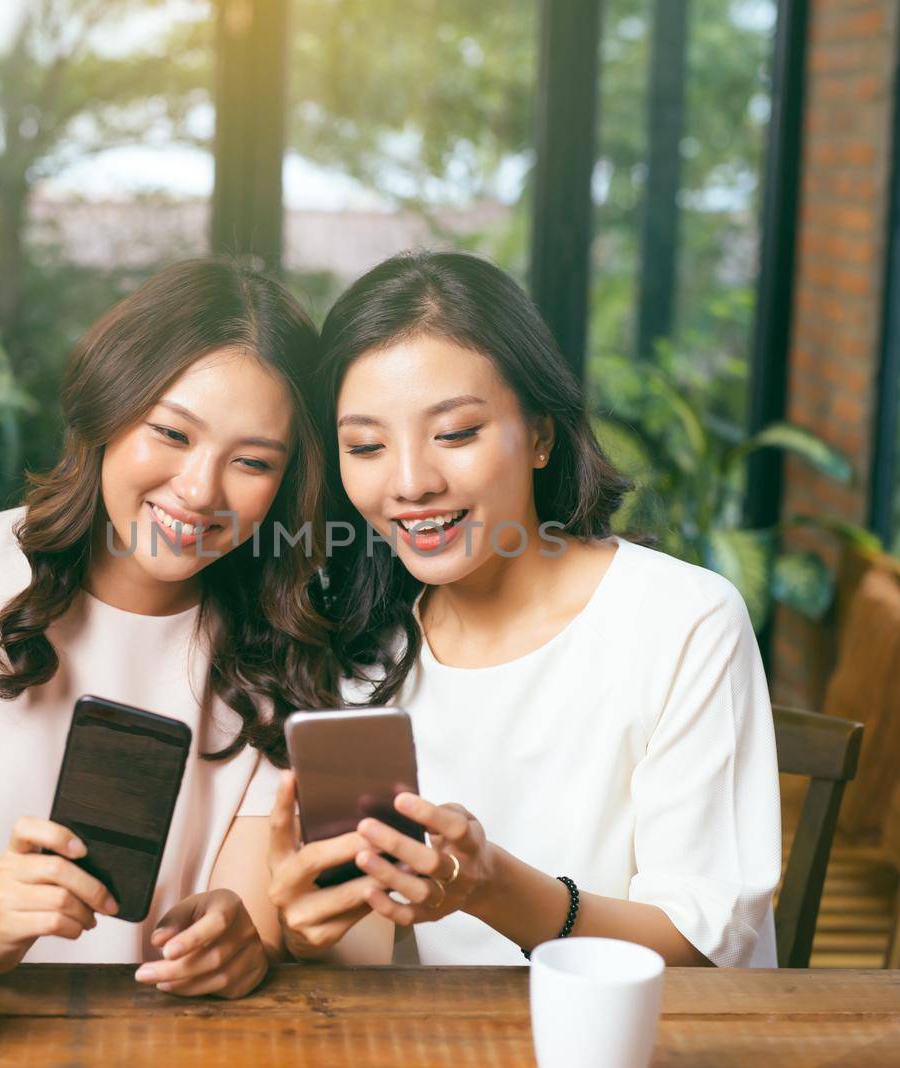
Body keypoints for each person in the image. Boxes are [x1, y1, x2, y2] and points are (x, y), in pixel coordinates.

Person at [0, 259, 338, 998]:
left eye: (251, 462)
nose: (199, 490)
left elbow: (244, 911)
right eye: (172, 433)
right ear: (108, 409)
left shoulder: (283, 643)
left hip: (167, 1038)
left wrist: (238, 943)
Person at [267, 251, 781, 967]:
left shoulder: (683, 620)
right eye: (367, 445)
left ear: (540, 434)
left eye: (455, 433)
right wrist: (301, 929)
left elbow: (704, 945)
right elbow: (365, 955)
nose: (411, 482)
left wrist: (490, 887)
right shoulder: (361, 647)